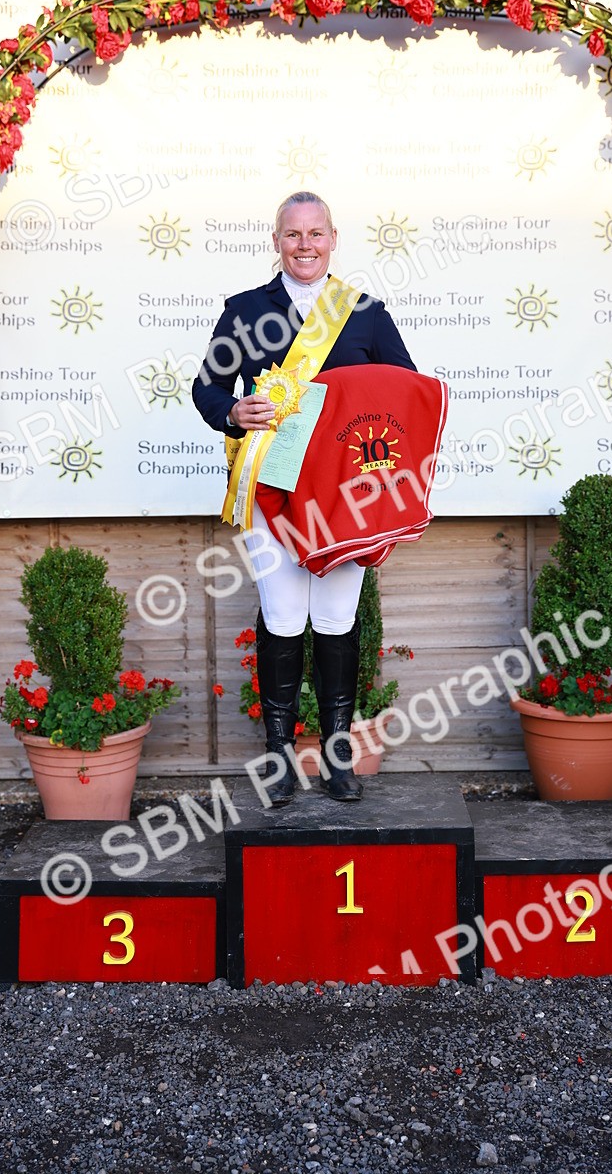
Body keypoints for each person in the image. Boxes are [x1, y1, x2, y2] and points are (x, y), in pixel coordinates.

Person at [193, 191, 417, 807]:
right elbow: (207, 387)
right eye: (292, 235)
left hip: (345, 495)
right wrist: (233, 411)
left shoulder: (365, 312)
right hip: (274, 491)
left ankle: (339, 756)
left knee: (338, 620)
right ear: (276, 241)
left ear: (333, 238)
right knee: (284, 617)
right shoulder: (244, 311)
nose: (305, 245)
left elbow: (404, 391)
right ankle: (279, 758)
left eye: (315, 234)